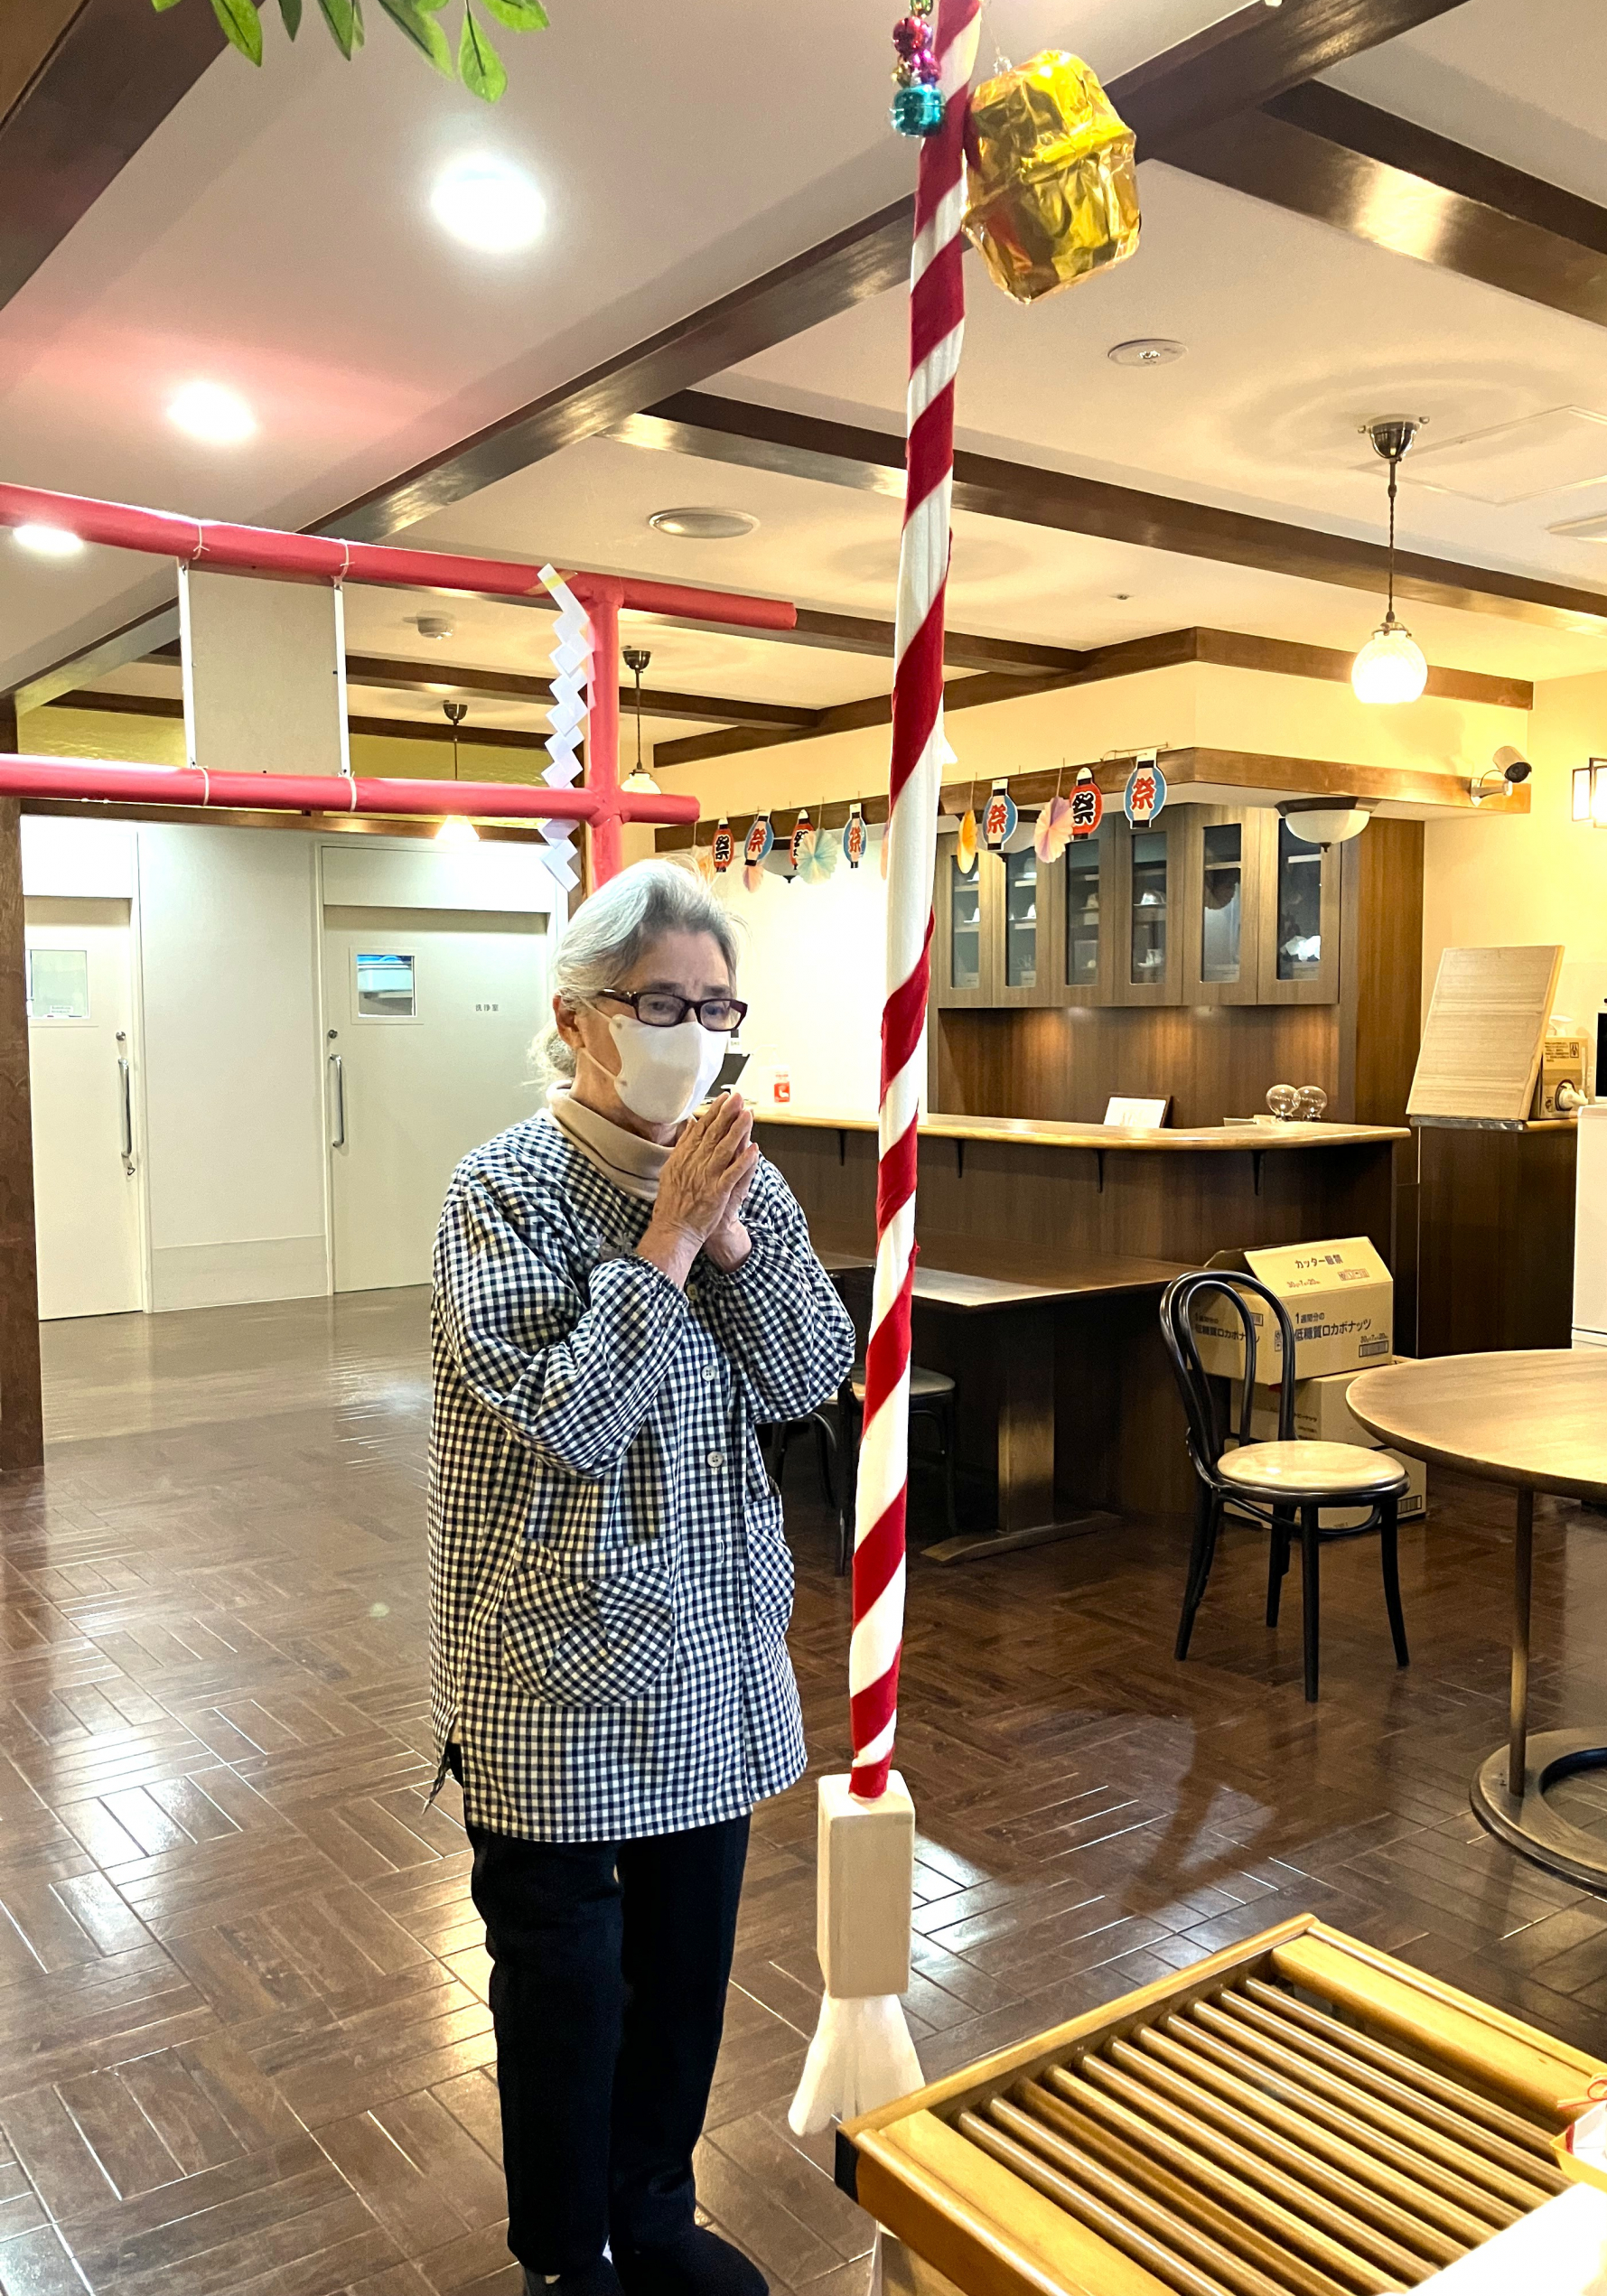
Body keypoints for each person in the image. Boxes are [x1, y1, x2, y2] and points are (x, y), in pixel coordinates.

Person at [428, 861, 855, 2296]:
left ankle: (654, 2214)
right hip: (558, 1669)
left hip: (713, 1655)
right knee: (566, 1990)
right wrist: (667, 1234)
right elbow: (569, 1418)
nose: (695, 1032)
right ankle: (569, 2254)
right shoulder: (500, 1192)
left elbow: (808, 1374)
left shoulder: (741, 1177)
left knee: (682, 1974)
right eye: (661, 1004)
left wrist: (728, 1235)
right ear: (577, 1018)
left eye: (717, 1007)